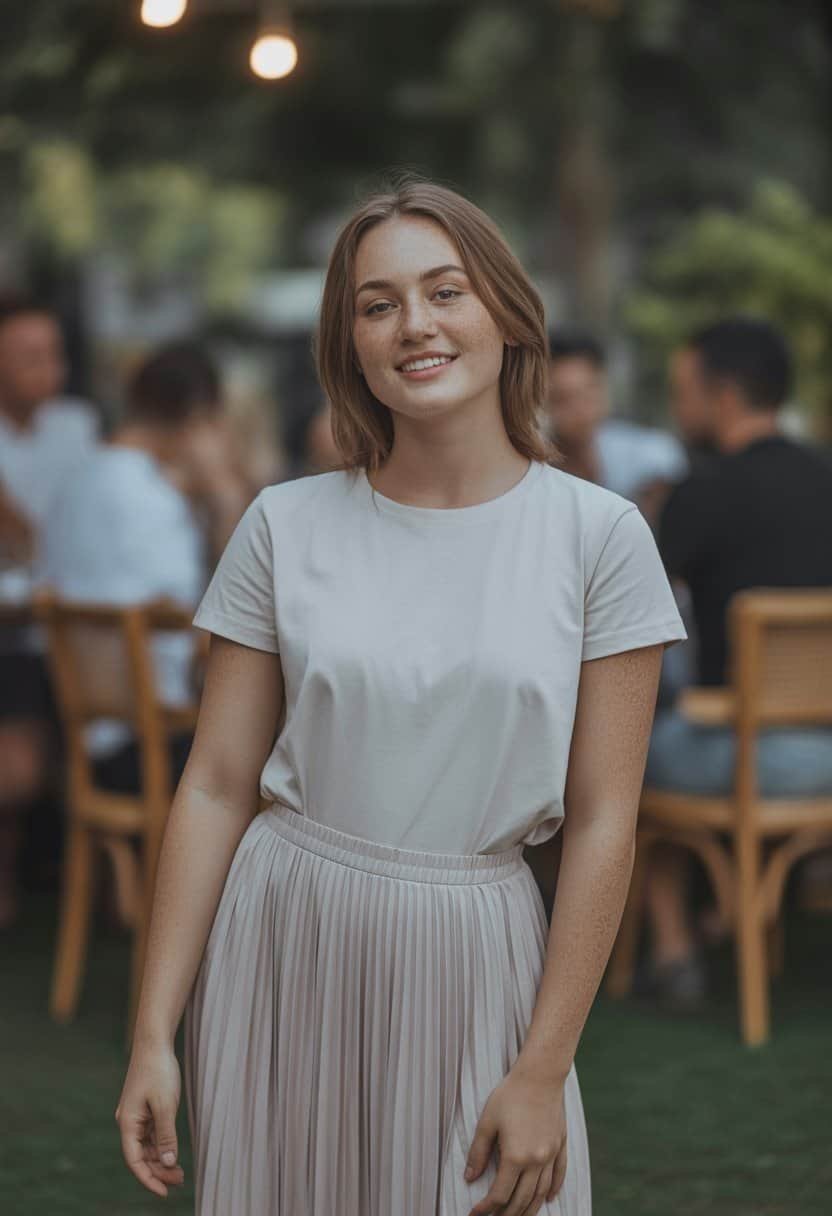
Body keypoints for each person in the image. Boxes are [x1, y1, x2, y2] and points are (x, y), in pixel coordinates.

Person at [115, 177, 686, 1215]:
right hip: (284, 930)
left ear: (507, 315)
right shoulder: (283, 526)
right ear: (350, 344)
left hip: (481, 952)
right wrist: (154, 1031)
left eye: (443, 291)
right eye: (376, 305)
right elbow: (214, 785)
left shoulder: (599, 537)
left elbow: (605, 820)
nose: (412, 325)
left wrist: (544, 1065)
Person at [642, 317, 832, 1006]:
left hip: (751, 760)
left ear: (722, 396)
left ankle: (673, 952)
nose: (677, 406)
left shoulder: (703, 491)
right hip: (827, 752)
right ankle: (732, 911)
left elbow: (638, 613)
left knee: (629, 745)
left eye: (682, 390)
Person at [39, 341, 254, 793]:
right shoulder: (152, 500)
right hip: (157, 743)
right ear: (198, 419)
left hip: (85, 737)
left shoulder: (73, 482)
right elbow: (214, 623)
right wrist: (225, 499)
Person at [0, 295, 99, 928]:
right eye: (28, 355)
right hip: (23, 627)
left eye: (53, 353)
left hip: (52, 628)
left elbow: (64, 540)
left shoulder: (77, 427)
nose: (48, 367)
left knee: (21, 771)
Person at [546, 331, 688, 525]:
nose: (580, 410)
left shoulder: (650, 455)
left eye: (589, 393)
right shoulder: (532, 470)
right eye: (563, 399)